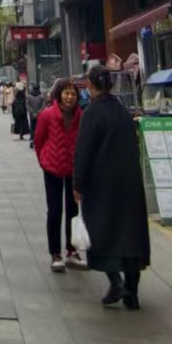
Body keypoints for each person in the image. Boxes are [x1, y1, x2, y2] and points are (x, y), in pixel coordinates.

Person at [73, 65, 151, 309]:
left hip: (102, 185)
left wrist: (78, 183)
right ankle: (132, 294)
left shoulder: (92, 113)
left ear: (90, 85)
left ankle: (116, 282)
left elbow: (83, 152)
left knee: (103, 232)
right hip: (130, 183)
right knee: (131, 236)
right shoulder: (123, 111)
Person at [33, 78, 83, 272]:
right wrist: (44, 160)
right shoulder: (47, 115)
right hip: (52, 169)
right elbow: (39, 140)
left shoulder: (81, 116)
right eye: (66, 93)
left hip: (74, 171)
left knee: (73, 211)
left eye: (73, 94)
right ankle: (55, 254)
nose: (70, 97)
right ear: (59, 95)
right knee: (54, 211)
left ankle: (72, 251)